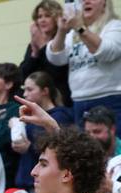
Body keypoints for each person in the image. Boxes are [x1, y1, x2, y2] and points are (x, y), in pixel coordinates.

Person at [47, 0, 121, 129]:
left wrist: (80, 28)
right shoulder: (73, 34)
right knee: (86, 149)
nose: (86, 1)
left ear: (104, 3)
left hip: (109, 98)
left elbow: (107, 52)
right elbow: (56, 58)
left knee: (114, 147)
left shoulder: (114, 26)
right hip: (79, 101)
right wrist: (62, 31)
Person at [13, 71, 74, 191]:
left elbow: (60, 150)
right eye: (24, 89)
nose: (25, 94)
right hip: (28, 180)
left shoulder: (60, 116)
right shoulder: (30, 117)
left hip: (47, 184)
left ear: (45, 91)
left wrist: (29, 147)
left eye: (30, 90)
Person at [20, 1, 72, 107]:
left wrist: (43, 46)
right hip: (40, 101)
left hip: (62, 98)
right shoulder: (33, 44)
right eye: (39, 17)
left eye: (47, 16)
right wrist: (34, 52)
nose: (42, 20)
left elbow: (57, 73)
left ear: (57, 18)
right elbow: (23, 75)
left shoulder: (65, 40)